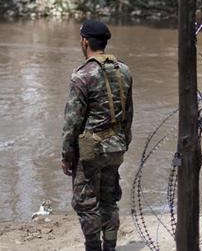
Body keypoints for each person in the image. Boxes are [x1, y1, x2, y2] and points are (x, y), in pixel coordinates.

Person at [61, 19, 134, 251]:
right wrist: (124, 143)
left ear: (84, 42)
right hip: (117, 146)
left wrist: (66, 155)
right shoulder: (124, 70)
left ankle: (93, 248)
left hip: (91, 150)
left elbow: (72, 121)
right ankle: (110, 247)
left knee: (86, 203)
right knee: (109, 199)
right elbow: (128, 114)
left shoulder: (82, 75)